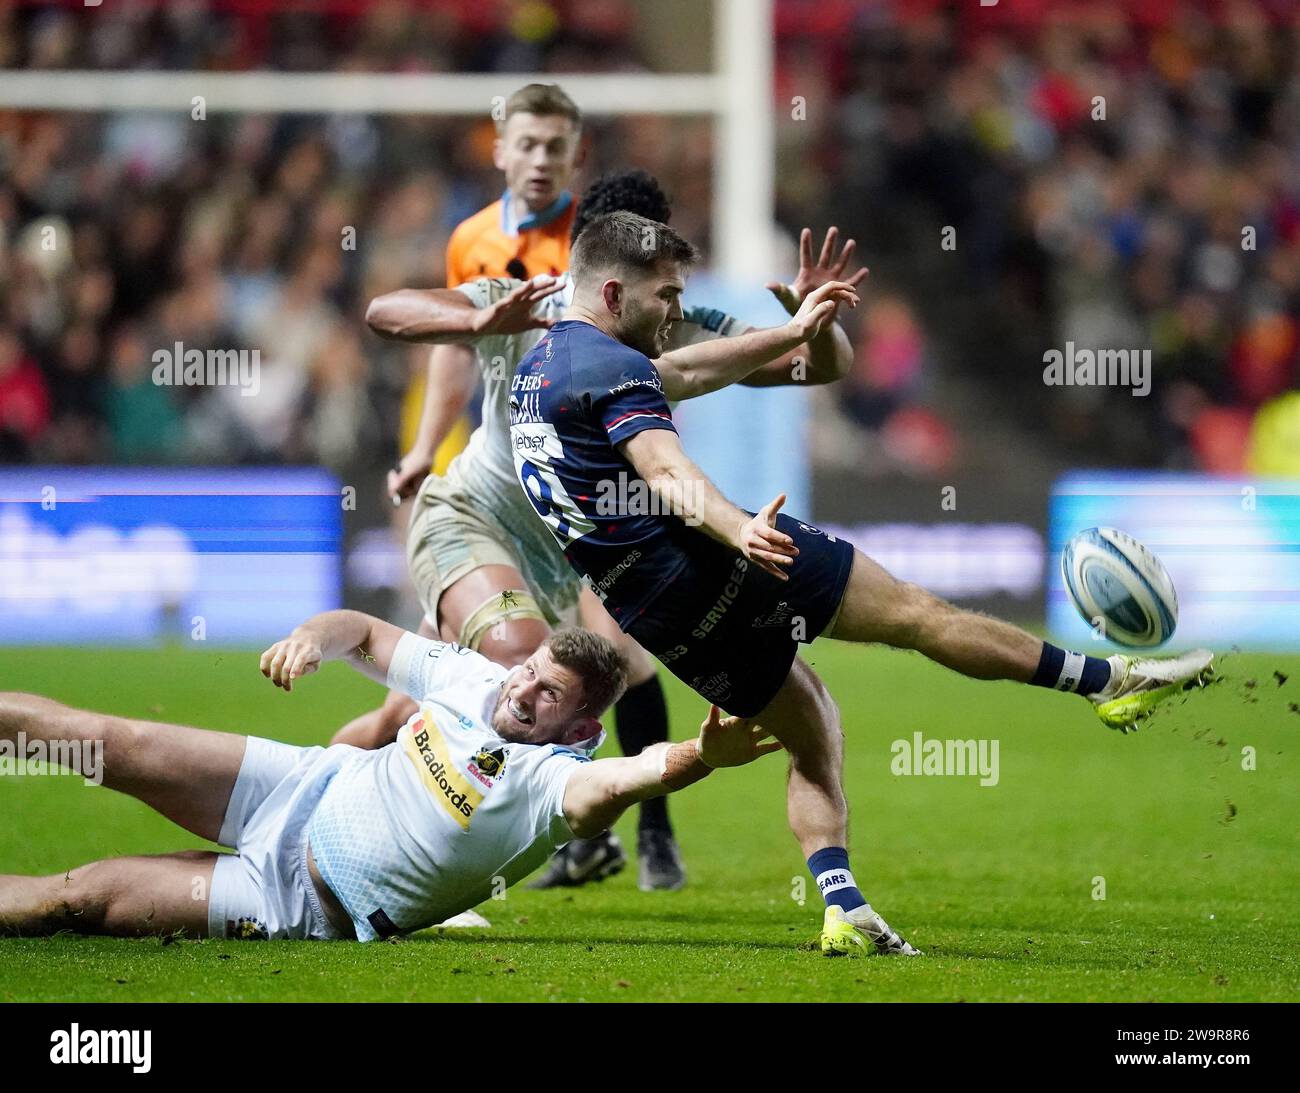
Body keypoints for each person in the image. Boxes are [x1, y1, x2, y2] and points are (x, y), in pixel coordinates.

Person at [507, 211, 1217, 957]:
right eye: (666, 295)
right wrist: (735, 527)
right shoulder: (615, 369)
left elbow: (688, 372)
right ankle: (1106, 681)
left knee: (809, 726)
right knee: (917, 614)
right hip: (721, 557)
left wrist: (792, 330)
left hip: (654, 606)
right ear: (615, 293)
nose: (677, 309)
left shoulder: (546, 367)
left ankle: (843, 906)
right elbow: (666, 469)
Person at [347, 169, 863, 892]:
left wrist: (813, 319)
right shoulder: (523, 295)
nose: (662, 285)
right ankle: (402, 842)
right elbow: (387, 312)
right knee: (516, 669)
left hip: (579, 539)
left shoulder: (676, 314)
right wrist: (464, 341)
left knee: (609, 667)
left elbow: (809, 366)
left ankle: (628, 834)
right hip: (488, 521)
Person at [0, 612, 778, 941]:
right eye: (530, 670)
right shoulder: (475, 676)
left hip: (293, 902)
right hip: (292, 784)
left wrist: (703, 756)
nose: (522, 689)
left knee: (81, 894)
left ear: (581, 728)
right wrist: (314, 637)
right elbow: (367, 633)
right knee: (105, 740)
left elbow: (635, 775)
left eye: (548, 693)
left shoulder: (553, 784)